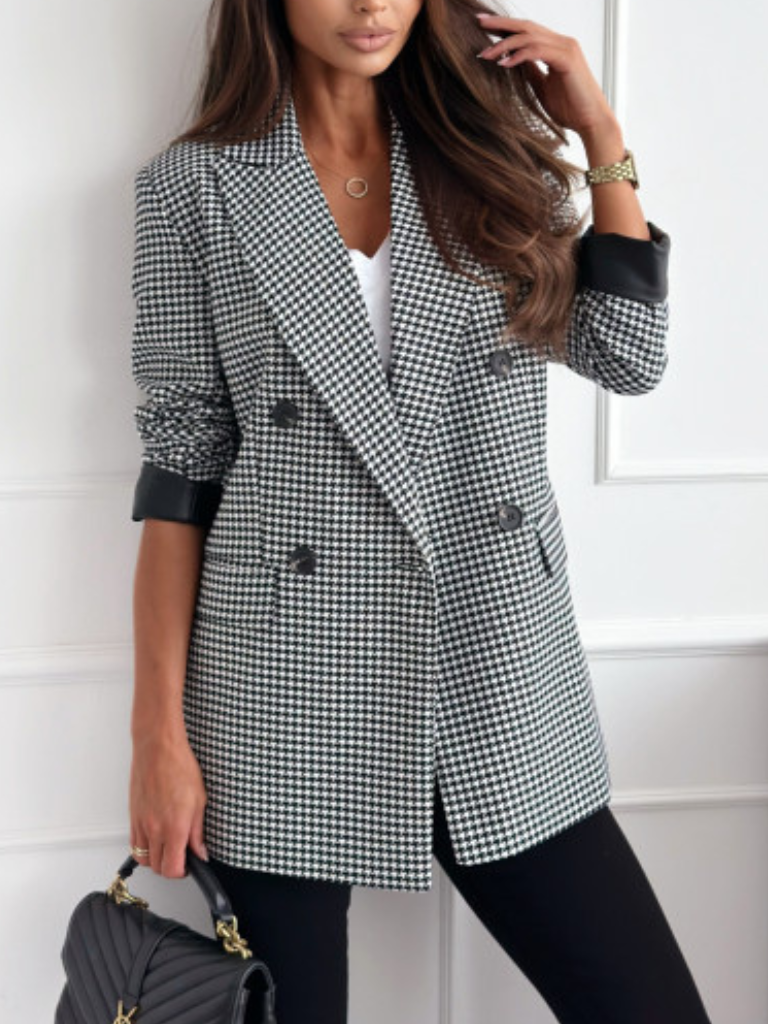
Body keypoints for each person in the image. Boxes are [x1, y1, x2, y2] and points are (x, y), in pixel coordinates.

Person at [127, 1, 713, 1021]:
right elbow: (183, 463)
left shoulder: (494, 160)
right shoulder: (195, 186)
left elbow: (628, 355)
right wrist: (156, 737)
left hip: (496, 661)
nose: (371, 6)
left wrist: (600, 135)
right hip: (285, 685)